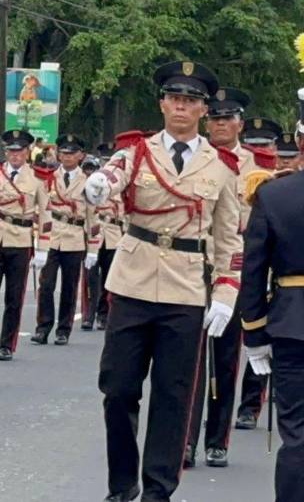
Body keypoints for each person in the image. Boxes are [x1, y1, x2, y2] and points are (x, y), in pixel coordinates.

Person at [84, 60, 241, 502]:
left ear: (203, 111)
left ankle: (158, 490)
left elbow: (229, 240)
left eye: (191, 101)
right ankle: (121, 484)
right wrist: (98, 185)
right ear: (162, 103)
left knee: (173, 399)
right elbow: (111, 177)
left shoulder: (221, 167)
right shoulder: (136, 151)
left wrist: (226, 295)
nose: (181, 107)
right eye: (174, 98)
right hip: (133, 283)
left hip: (187, 291)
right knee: (117, 389)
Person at [185, 87, 273, 468]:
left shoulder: (259, 168)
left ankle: (217, 439)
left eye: (228, 118)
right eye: (215, 118)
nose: (221, 124)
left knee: (224, 358)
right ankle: (184, 439)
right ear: (207, 121)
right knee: (185, 360)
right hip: (190, 266)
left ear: (239, 121)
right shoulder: (194, 158)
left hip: (236, 269)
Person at [237, 142, 304, 502]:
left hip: (293, 322)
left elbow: (254, 269)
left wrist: (254, 331)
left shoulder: (274, 195)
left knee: (297, 434)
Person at [0, 129, 47, 362]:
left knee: (14, 297)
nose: (14, 155)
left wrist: (43, 247)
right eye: (11, 151)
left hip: (21, 239)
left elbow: (46, 215)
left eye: (19, 151)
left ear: (27, 153)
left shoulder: (37, 179)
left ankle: (7, 344)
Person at [32, 133, 96, 346]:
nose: (67, 157)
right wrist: (37, 241)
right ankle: (43, 327)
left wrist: (93, 249)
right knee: (46, 284)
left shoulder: (89, 182)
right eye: (64, 153)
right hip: (51, 236)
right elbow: (38, 210)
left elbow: (92, 216)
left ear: (81, 156)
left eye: (72, 153)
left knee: (69, 286)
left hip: (75, 237)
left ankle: (63, 329)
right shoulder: (47, 178)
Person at [83, 142, 123, 332]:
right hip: (95, 231)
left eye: (110, 159)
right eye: (104, 160)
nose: (107, 163)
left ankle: (103, 314)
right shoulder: (93, 182)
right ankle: (88, 315)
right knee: (90, 277)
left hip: (114, 234)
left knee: (109, 277)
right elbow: (87, 209)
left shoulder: (121, 184)